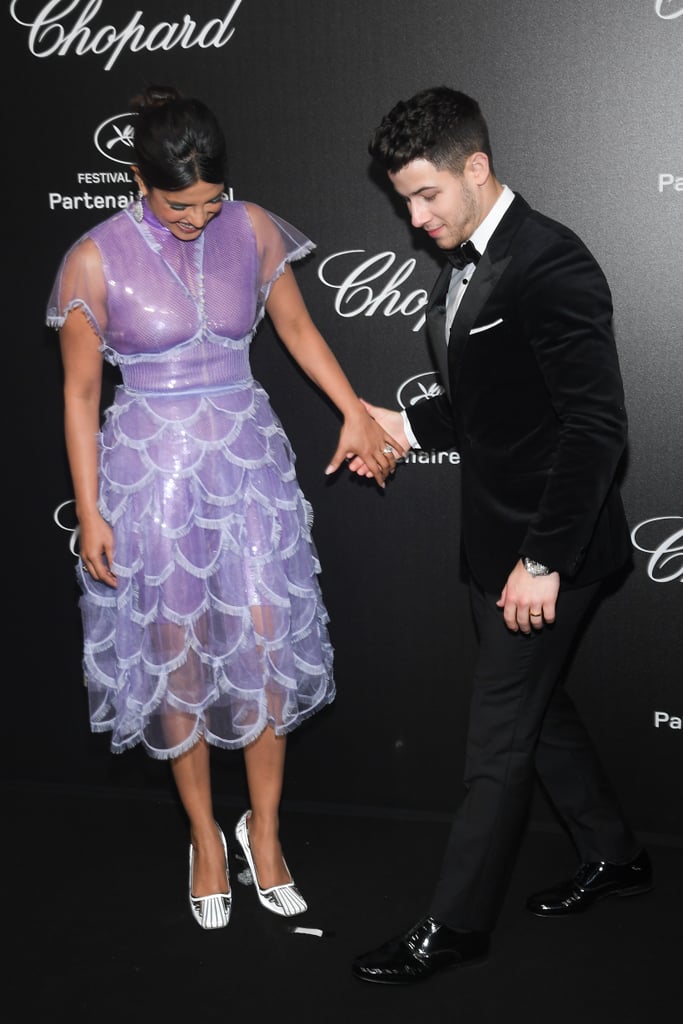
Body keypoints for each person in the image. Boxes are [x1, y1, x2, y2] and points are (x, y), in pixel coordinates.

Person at [47, 85, 402, 931]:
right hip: (150, 476)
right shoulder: (92, 258)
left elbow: (299, 331)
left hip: (247, 466)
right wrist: (90, 512)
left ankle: (265, 830)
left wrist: (354, 409)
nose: (196, 218)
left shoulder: (250, 229)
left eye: (209, 201)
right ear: (138, 179)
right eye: (178, 204)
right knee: (177, 654)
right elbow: (79, 392)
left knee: (265, 641)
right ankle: (205, 836)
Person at [351, 86, 652, 984]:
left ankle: (455, 926)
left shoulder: (551, 262)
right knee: (538, 714)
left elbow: (595, 429)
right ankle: (616, 857)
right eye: (403, 199)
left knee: (495, 742)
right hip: (496, 547)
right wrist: (401, 429)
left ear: (475, 168)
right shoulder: (466, 258)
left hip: (548, 552)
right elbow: (498, 406)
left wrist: (542, 559)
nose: (414, 217)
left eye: (426, 195)